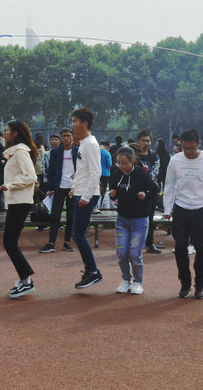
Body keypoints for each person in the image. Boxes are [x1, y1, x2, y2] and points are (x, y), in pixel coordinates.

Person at [162, 129, 203, 299]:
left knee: (201, 249)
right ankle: (185, 282)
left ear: (199, 144)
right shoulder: (175, 160)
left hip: (202, 211)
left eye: (192, 148)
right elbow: (169, 186)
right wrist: (167, 209)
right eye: (184, 148)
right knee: (180, 247)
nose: (188, 152)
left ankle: (200, 283)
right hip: (181, 209)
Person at [109, 146, 159, 295]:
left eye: (124, 163)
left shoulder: (142, 175)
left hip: (140, 220)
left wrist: (145, 195)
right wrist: (113, 194)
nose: (121, 166)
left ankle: (138, 281)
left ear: (132, 161)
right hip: (122, 219)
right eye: (119, 163)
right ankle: (126, 279)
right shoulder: (117, 174)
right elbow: (114, 192)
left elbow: (155, 190)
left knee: (134, 254)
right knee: (121, 253)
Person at [0, 120, 39, 298]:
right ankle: (25, 279)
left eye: (7, 131)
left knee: (9, 242)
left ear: (15, 133)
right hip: (17, 201)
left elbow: (31, 176)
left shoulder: (20, 152)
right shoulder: (15, 152)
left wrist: (10, 185)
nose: (4, 134)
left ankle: (26, 280)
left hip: (21, 202)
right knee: (10, 242)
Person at [70, 108, 104, 289]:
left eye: (75, 121)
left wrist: (86, 196)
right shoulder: (83, 143)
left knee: (78, 234)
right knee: (77, 234)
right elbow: (83, 172)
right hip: (80, 193)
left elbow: (96, 172)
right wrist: (74, 188)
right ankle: (91, 270)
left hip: (86, 195)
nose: (72, 125)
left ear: (84, 123)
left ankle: (93, 271)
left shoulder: (90, 143)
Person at [40, 128, 77, 253]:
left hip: (73, 188)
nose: (66, 138)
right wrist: (50, 188)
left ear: (72, 137)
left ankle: (67, 242)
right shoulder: (55, 152)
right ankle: (51, 243)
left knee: (71, 217)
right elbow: (51, 171)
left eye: (68, 136)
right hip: (59, 187)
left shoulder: (78, 151)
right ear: (61, 138)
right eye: (64, 136)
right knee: (55, 216)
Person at [135, 129, 162, 254]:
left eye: (148, 140)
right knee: (135, 218)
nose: (145, 143)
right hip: (135, 191)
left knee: (150, 219)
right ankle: (135, 244)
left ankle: (150, 243)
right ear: (138, 141)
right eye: (143, 140)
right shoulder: (134, 155)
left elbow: (155, 172)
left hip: (151, 191)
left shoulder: (154, 155)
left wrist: (143, 175)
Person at [99, 140, 113, 206]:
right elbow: (109, 164)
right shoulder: (107, 153)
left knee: (97, 189)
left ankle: (96, 204)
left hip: (96, 173)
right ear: (107, 146)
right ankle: (101, 203)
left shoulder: (96, 152)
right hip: (105, 174)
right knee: (103, 189)